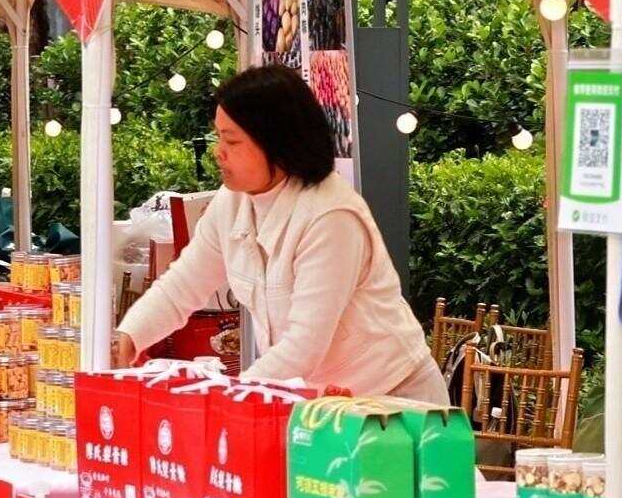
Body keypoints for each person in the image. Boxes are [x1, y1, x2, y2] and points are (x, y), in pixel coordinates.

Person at [113, 64, 449, 402]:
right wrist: (130, 334)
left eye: (232, 140)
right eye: (219, 137)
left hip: (394, 398)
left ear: (277, 144)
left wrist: (231, 398)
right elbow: (183, 284)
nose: (218, 151)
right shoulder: (231, 201)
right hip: (326, 403)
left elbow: (303, 345)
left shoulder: (331, 216)